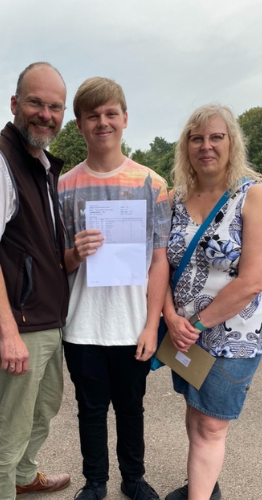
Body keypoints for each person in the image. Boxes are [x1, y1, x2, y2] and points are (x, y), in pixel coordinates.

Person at [58, 77, 172, 500]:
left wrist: (151, 323)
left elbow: (159, 258)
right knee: (89, 410)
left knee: (130, 409)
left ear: (125, 119)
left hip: (132, 325)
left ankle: (133, 478)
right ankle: (95, 482)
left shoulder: (151, 184)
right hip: (82, 323)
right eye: (93, 116)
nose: (102, 123)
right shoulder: (64, 186)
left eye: (110, 114)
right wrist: (75, 253)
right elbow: (58, 261)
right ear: (79, 124)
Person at [0, 62, 75, 499]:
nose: (45, 114)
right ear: (15, 104)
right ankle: (5, 486)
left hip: (47, 320)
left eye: (54, 106)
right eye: (35, 102)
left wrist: (76, 255)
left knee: (44, 409)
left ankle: (24, 477)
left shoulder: (43, 166)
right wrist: (9, 333)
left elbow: (38, 250)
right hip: (20, 326)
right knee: (11, 426)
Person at [160, 104, 262, 500]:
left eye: (216, 137)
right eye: (196, 138)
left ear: (232, 143)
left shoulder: (253, 196)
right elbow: (157, 263)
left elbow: (254, 280)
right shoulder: (176, 198)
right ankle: (202, 487)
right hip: (184, 334)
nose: (205, 146)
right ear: (186, 147)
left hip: (233, 334)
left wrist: (196, 323)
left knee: (212, 425)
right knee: (195, 412)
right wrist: (170, 317)